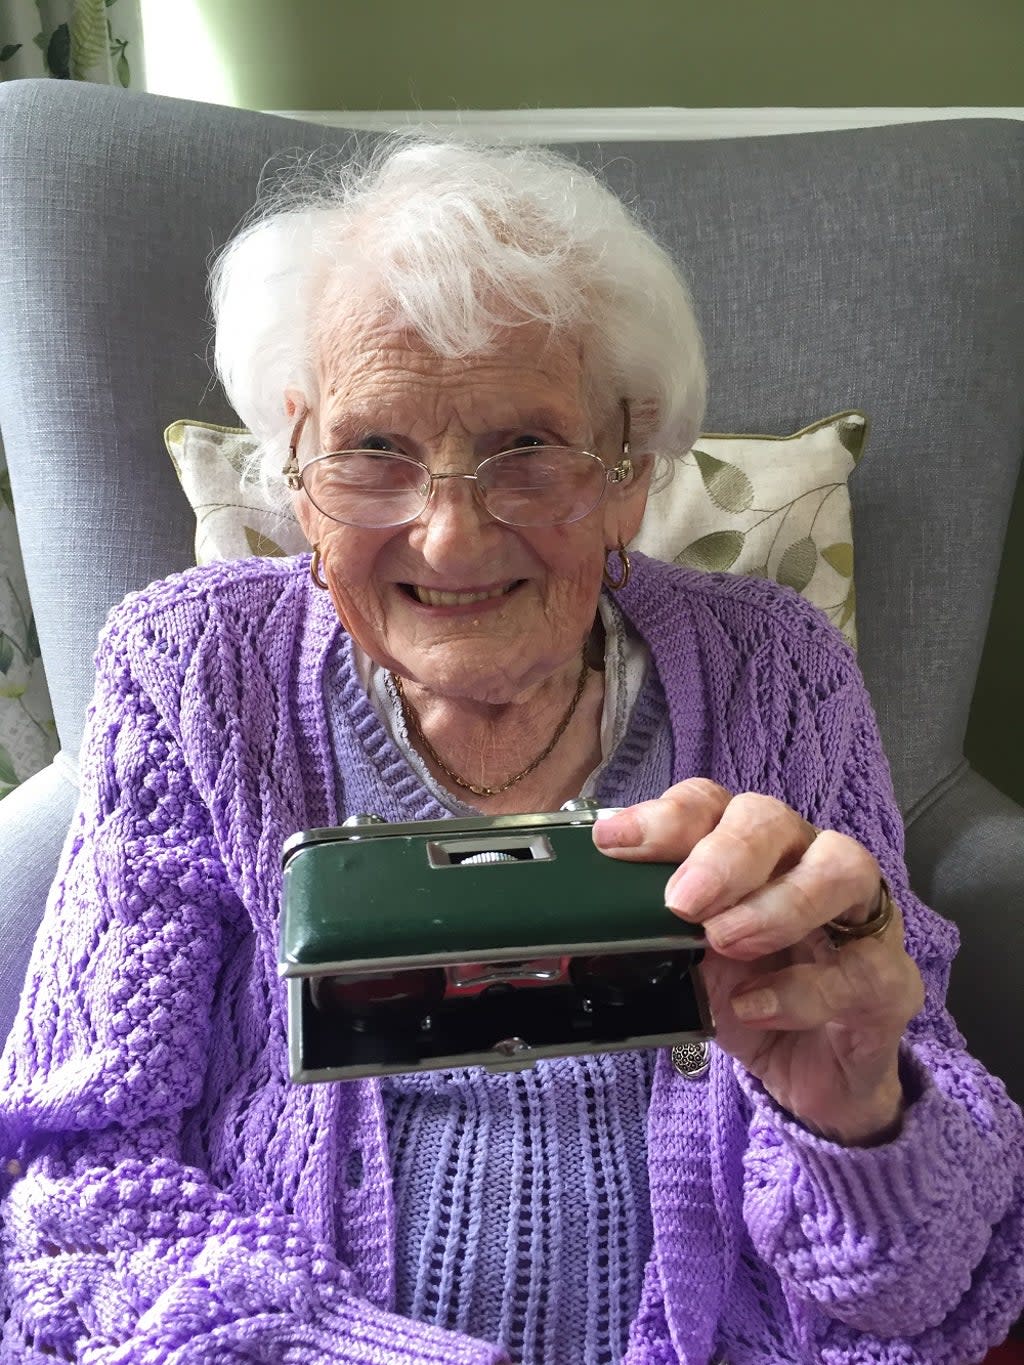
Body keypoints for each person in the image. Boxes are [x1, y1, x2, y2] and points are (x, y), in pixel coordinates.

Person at [0, 139, 1021, 1365]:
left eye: (525, 450)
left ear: (631, 468)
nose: (449, 532)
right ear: (299, 463)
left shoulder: (776, 673)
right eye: (374, 448)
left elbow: (924, 1274)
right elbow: (68, 1197)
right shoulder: (191, 673)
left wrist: (858, 1113)